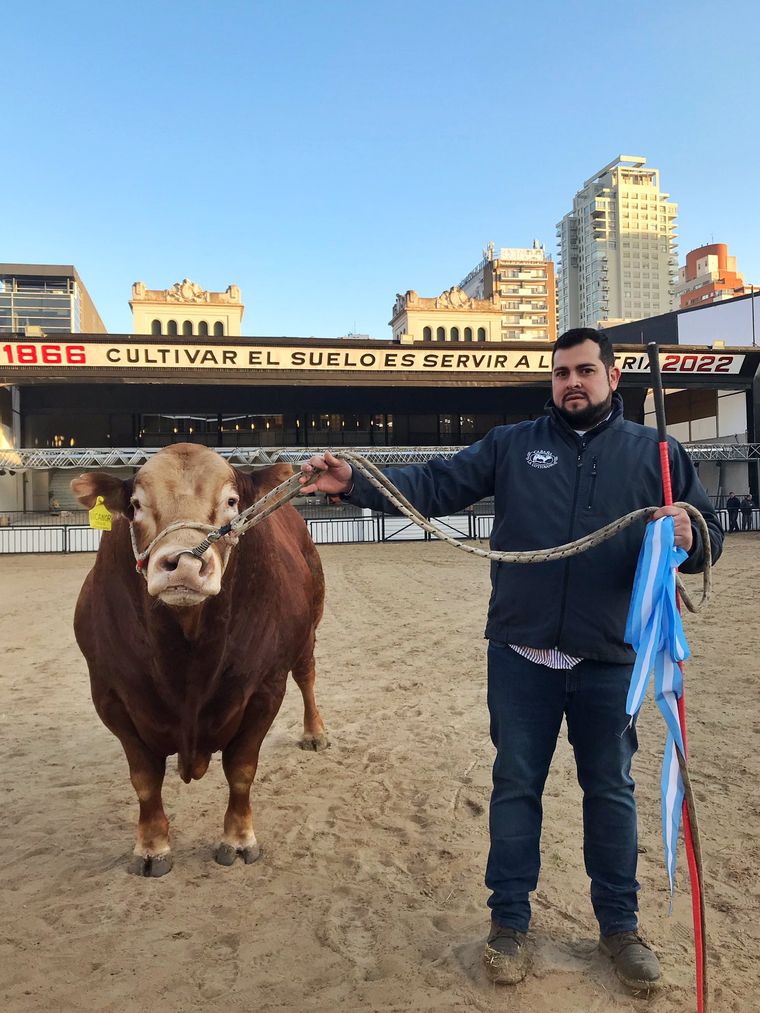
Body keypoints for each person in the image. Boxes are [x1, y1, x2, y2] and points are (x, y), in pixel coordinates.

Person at [299, 328, 723, 994]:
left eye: (585, 370)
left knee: (609, 790)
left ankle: (620, 927)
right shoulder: (512, 445)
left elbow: (708, 533)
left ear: (613, 377)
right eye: (561, 373)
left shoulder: (658, 454)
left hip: (610, 658)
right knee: (515, 785)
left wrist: (691, 530)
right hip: (521, 655)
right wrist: (356, 480)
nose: (572, 383)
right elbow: (434, 484)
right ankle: (509, 924)